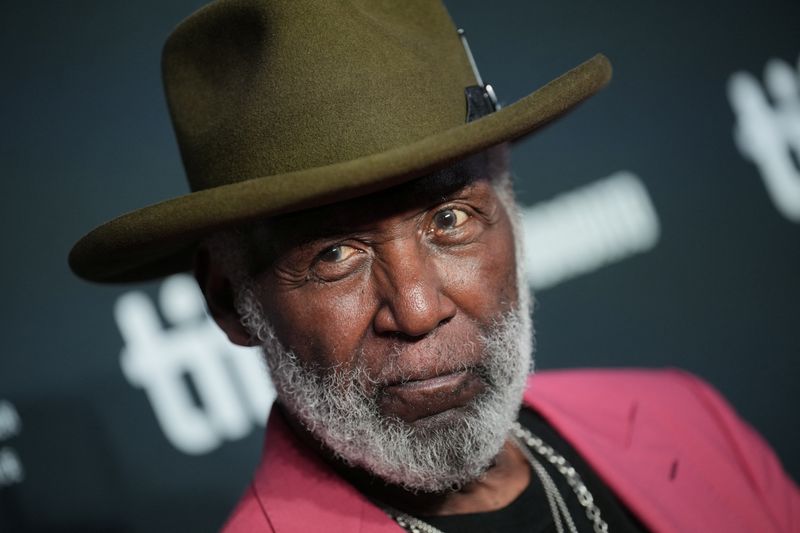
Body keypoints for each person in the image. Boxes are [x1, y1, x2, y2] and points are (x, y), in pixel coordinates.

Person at [69, 1, 799, 531]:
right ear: (231, 301)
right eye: (335, 255)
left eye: (449, 219)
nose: (417, 309)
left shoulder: (686, 421)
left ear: (510, 215)